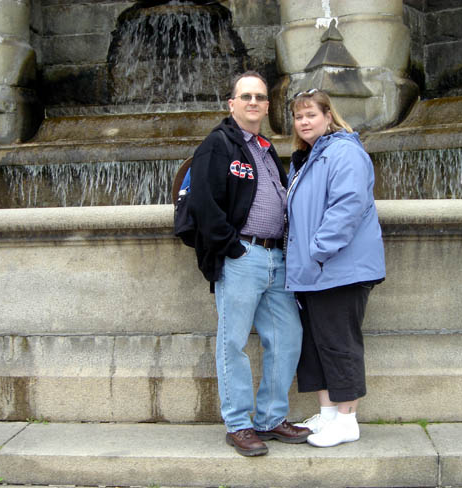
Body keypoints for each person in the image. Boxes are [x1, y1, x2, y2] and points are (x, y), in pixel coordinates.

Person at [187, 71, 310, 456]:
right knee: (233, 342)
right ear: (232, 104)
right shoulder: (217, 145)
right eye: (246, 97)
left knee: (288, 338)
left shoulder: (265, 147)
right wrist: (233, 248)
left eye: (259, 97)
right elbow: (203, 204)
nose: (253, 102)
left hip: (276, 258)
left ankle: (271, 419)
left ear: (267, 106)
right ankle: (238, 424)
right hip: (242, 256)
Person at [285, 89, 386, 448]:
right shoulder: (308, 157)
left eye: (311, 114)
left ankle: (347, 420)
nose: (304, 121)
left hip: (339, 269)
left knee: (340, 344)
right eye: (299, 117)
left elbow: (348, 206)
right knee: (316, 345)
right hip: (315, 272)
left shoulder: (343, 151)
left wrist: (317, 253)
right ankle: (328, 414)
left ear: (328, 116)